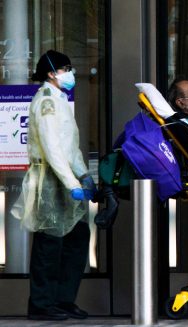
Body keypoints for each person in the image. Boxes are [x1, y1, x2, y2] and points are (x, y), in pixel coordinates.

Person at [10, 50, 96, 321]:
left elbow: (70, 147)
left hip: (66, 176)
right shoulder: (46, 101)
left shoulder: (60, 100)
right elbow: (52, 148)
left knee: (76, 238)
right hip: (51, 178)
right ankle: (42, 303)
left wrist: (83, 174)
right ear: (51, 73)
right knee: (50, 242)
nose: (70, 73)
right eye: (66, 68)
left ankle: (62, 300)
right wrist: (72, 182)